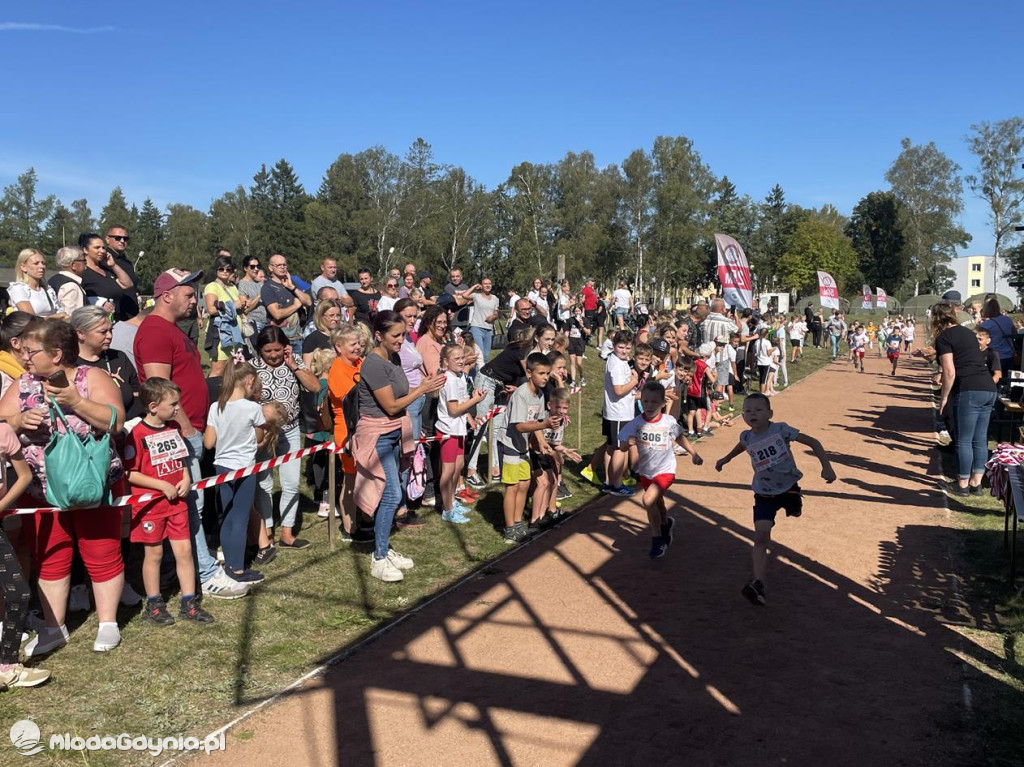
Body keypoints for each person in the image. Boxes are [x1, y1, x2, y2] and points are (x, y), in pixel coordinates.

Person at [0, 319, 127, 655]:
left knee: (101, 551)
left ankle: (108, 624)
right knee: (50, 556)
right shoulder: (23, 384)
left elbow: (116, 421)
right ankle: (54, 628)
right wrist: (16, 421)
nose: (24, 358)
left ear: (56, 354)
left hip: (91, 483)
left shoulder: (91, 377)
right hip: (41, 488)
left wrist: (76, 401)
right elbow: (0, 421)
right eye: (24, 351)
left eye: (31, 351)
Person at [135, 268, 248, 599]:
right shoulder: (155, 332)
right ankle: (206, 573)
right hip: (179, 433)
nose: (194, 300)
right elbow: (160, 390)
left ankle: (176, 571)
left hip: (188, 428)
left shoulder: (171, 330)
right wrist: (185, 429)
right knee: (190, 506)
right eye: (188, 293)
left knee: (189, 505)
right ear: (166, 295)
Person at [715, 392, 836, 606]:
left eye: (758, 410)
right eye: (748, 411)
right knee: (760, 537)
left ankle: (795, 505)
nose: (752, 414)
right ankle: (758, 582)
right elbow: (743, 446)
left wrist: (826, 467)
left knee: (795, 512)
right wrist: (726, 459)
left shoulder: (781, 430)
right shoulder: (746, 436)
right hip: (764, 493)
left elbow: (814, 442)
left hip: (789, 488)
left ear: (770, 413)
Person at [353, 311, 445, 581]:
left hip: (395, 431)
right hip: (378, 434)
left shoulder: (393, 358)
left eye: (404, 334)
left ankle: (384, 548)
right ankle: (379, 558)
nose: (402, 340)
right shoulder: (372, 364)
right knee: (392, 494)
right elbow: (391, 404)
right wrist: (423, 389)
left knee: (391, 493)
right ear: (378, 336)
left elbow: (400, 395)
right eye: (396, 335)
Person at [126, 378, 214, 625]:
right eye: (173, 404)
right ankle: (154, 603)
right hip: (150, 508)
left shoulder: (174, 428)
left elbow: (182, 459)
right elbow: (130, 472)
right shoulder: (137, 435)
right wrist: (161, 485)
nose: (178, 408)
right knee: (153, 555)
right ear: (153, 406)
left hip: (177, 505)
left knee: (184, 552)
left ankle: (189, 601)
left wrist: (186, 478)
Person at [252, 326, 320, 549]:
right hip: (264, 432)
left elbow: (314, 386)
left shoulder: (295, 362)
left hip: (290, 430)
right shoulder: (251, 368)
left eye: (278, 350)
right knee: (264, 483)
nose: (273, 355)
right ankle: (268, 530)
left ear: (286, 348)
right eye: (268, 351)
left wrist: (294, 366)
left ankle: (287, 533)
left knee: (291, 482)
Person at [618, 382, 702, 558]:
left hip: (665, 470)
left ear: (663, 403)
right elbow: (623, 447)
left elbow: (680, 437)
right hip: (646, 471)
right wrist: (628, 443)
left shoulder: (668, 422)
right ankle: (666, 525)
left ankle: (657, 540)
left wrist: (693, 453)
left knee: (648, 500)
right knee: (657, 502)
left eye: (654, 402)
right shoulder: (636, 423)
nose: (649, 405)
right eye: (646, 401)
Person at [205, 360, 269, 580]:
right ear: (250, 381)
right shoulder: (253, 408)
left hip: (222, 466)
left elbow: (208, 442)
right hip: (244, 468)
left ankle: (229, 564)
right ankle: (238, 568)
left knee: (228, 515)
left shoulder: (216, 407)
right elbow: (260, 437)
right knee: (240, 518)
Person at [0, 420, 48, 690]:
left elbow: (25, 476)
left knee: (18, 592)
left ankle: (6, 666)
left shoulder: (4, 431)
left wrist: (2, 506)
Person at [934, 302, 998, 496]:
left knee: (963, 439)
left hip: (969, 388)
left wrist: (944, 397)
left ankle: (962, 484)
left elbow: (949, 371)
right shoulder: (969, 333)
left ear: (936, 318)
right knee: (979, 439)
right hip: (988, 387)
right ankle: (976, 483)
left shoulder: (944, 337)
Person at [500, 352, 559, 543]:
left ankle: (518, 523)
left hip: (523, 446)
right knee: (513, 486)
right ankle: (509, 528)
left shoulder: (540, 394)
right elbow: (519, 426)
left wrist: (541, 442)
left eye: (547, 373)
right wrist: (543, 426)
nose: (545, 377)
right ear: (529, 373)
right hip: (510, 445)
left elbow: (538, 420)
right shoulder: (521, 395)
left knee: (524, 484)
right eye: (541, 373)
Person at [436, 344, 486, 524]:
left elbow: (461, 403)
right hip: (448, 429)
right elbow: (454, 408)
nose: (460, 361)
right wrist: (475, 400)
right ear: (445, 362)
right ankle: (447, 509)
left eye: (461, 357)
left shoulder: (459, 377)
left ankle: (451, 501)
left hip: (458, 428)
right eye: (455, 358)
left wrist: (470, 419)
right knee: (448, 471)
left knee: (458, 466)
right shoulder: (449, 379)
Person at [71, 306, 142, 420]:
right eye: (103, 332)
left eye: (111, 330)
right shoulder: (69, 364)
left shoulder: (118, 358)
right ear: (80, 333)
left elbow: (137, 394)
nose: (109, 336)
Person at [327, 324, 364, 534]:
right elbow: (348, 396)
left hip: (365, 425)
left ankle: (365, 518)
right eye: (353, 344)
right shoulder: (337, 368)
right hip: (347, 429)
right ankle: (349, 527)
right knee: (350, 479)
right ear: (339, 347)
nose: (358, 347)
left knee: (364, 477)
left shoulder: (361, 362)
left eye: (359, 343)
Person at [596, 330, 639, 496]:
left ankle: (609, 482)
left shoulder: (618, 360)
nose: (625, 351)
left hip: (615, 411)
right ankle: (616, 483)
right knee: (621, 449)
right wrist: (634, 381)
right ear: (613, 346)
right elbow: (619, 390)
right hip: (619, 412)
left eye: (628, 348)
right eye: (621, 347)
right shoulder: (616, 364)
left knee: (612, 447)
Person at [203, 256, 247, 378]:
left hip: (235, 335)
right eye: (221, 269)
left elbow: (236, 309)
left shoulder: (233, 287)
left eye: (228, 269)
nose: (225, 272)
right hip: (220, 334)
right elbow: (211, 309)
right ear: (216, 270)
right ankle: (212, 395)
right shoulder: (212, 286)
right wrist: (234, 305)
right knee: (219, 370)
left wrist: (243, 306)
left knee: (233, 369)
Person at [262, 254, 312, 358]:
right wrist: (296, 306)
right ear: (270, 267)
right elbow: (277, 314)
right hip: (279, 340)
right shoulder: (267, 288)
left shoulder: (291, 283)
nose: (282, 267)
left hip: (297, 337)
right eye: (279, 265)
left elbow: (308, 302)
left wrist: (292, 287)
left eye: (284, 265)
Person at [78, 233, 132, 321]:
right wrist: (100, 303)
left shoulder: (107, 270)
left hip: (116, 321)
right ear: (85, 250)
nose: (102, 251)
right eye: (97, 247)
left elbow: (127, 285)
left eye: (103, 248)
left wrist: (113, 265)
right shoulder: (83, 273)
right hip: (96, 322)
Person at [9, 248, 62, 318]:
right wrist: (56, 317)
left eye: (43, 263)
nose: (42, 266)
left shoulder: (48, 289)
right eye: (36, 263)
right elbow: (31, 320)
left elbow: (58, 311)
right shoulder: (18, 289)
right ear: (23, 267)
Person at [104, 225, 140, 319]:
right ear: (108, 239)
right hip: (116, 316)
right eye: (118, 238)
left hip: (132, 314)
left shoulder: (127, 262)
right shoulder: (104, 260)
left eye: (125, 238)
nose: (122, 241)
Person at [979, 295, 1015, 379]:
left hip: (994, 357)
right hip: (1009, 356)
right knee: (1008, 382)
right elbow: (1014, 334)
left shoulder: (986, 324)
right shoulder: (1007, 320)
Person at [301, 299, 343, 368]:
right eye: (331, 315)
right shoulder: (312, 339)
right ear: (321, 316)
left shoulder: (342, 335)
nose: (335, 319)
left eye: (338, 315)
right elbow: (307, 367)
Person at [237, 256, 267, 349]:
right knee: (255, 352)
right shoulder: (242, 285)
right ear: (245, 268)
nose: (256, 269)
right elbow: (245, 310)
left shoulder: (259, 283)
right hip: (253, 323)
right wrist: (258, 297)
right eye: (252, 267)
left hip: (266, 322)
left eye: (258, 266)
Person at [466, 278, 500, 361]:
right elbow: (464, 295)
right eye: (485, 283)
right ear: (481, 285)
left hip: (489, 329)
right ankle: (477, 372)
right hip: (477, 327)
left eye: (489, 283)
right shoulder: (476, 296)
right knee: (479, 353)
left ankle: (482, 372)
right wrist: (474, 287)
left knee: (486, 355)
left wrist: (493, 317)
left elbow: (496, 313)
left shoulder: (495, 298)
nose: (487, 285)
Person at [49, 245, 88, 317]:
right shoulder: (71, 286)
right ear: (73, 265)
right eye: (84, 261)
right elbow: (70, 316)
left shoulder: (53, 280)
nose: (86, 264)